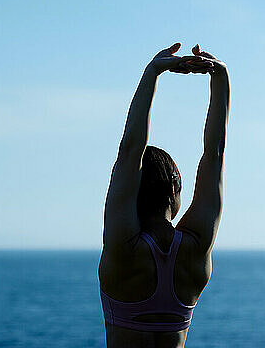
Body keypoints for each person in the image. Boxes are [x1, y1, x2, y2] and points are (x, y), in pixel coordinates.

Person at [98, 43, 230, 348]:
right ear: (175, 191)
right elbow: (215, 155)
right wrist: (220, 77)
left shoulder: (123, 251)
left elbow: (130, 152)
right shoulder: (196, 250)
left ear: (133, 192)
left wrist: (153, 72)